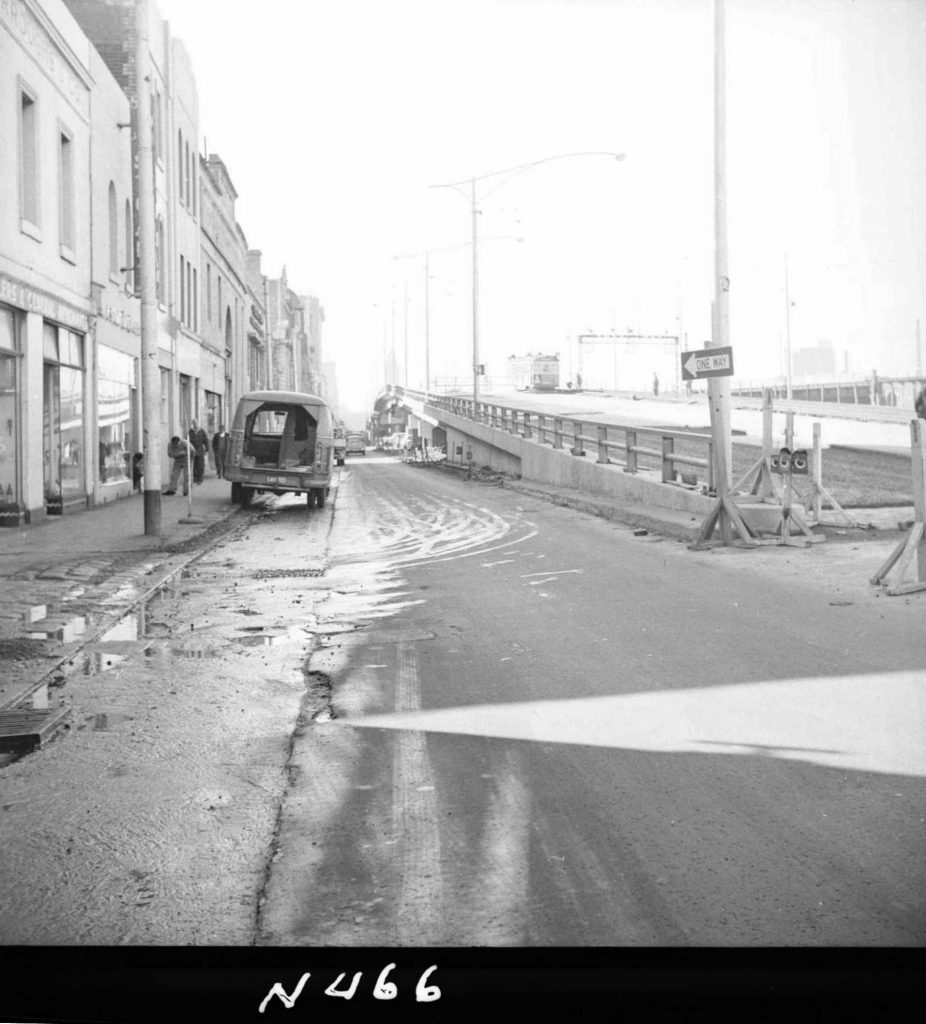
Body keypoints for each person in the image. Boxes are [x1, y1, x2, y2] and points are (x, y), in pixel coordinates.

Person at [188, 420, 208, 485]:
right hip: (192, 451)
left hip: (200, 451)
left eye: (196, 423)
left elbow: (205, 440)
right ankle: (195, 478)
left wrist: (207, 450)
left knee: (200, 465)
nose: (195, 424)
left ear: (198, 424)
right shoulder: (190, 432)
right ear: (193, 424)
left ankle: (200, 479)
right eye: (194, 423)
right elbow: (187, 441)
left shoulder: (202, 431)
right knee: (194, 465)